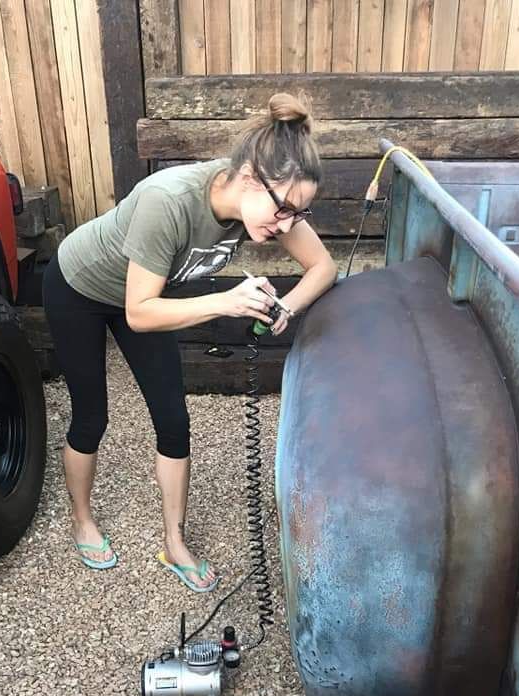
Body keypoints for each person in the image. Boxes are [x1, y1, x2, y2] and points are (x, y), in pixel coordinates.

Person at [42, 92, 337, 589]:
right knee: (92, 416)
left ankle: (175, 544)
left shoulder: (265, 204)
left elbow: (323, 266)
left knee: (174, 421)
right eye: (284, 209)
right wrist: (225, 302)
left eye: (298, 214)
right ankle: (81, 520)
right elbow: (139, 313)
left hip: (146, 296)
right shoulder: (170, 200)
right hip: (79, 288)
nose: (287, 223)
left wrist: (286, 307)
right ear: (249, 178)